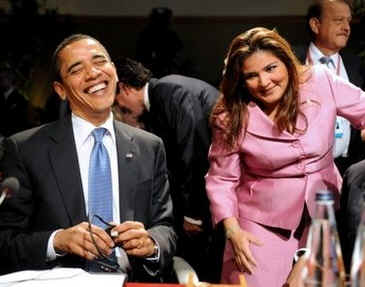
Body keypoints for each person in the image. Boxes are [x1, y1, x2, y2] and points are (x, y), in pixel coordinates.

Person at [0, 34, 176, 282]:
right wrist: (57, 241)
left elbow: (166, 228)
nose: (93, 74)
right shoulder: (25, 149)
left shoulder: (150, 146)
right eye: (76, 69)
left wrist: (151, 244)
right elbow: (5, 241)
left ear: (114, 72)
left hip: (130, 279)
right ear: (60, 90)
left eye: (99, 61)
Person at [205, 26, 365, 287]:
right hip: (259, 220)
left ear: (287, 62)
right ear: (240, 81)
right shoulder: (229, 115)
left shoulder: (321, 80)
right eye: (251, 76)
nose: (264, 82)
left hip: (323, 213)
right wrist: (232, 230)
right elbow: (221, 179)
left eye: (271, 68)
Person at [114, 57, 222, 282]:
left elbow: (192, 150)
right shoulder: (161, 98)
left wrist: (192, 215)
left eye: (123, 109)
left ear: (124, 87)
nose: (126, 116)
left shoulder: (168, 90)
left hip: (217, 192)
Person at [294, 0, 365, 176]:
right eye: (338, 20)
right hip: (302, 169)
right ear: (315, 25)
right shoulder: (290, 61)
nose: (346, 27)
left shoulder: (358, 65)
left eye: (348, 21)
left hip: (349, 166)